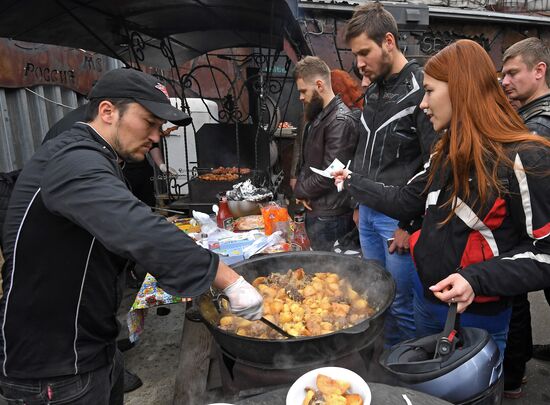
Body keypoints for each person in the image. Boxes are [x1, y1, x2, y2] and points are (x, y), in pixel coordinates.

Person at [0, 68, 263, 405]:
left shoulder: (98, 157)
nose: (156, 136)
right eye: (149, 122)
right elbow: (134, 226)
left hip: (92, 347)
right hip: (53, 366)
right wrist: (227, 279)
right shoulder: (72, 159)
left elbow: (111, 237)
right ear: (108, 111)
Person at [333, 39, 550, 359]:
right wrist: (356, 185)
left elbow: (544, 254)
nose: (422, 104)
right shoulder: (443, 151)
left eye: (430, 92)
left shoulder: (524, 158)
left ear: (461, 92)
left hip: (475, 318)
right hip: (426, 303)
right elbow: (410, 200)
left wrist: (475, 279)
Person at [344, 3, 439, 345]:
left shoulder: (420, 90)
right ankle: (384, 363)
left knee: (400, 303)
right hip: (369, 215)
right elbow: (363, 149)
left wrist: (410, 225)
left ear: (388, 41)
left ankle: (406, 376)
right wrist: (357, 205)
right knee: (375, 297)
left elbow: (434, 166)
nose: (359, 63)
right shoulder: (374, 88)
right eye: (355, 55)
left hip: (398, 222)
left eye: (364, 52)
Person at [500, 36, 550, 398]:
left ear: (539, 71)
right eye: (504, 74)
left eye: (513, 73)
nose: (505, 81)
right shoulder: (524, 117)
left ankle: (518, 378)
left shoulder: (540, 126)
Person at [292, 56, 358, 251]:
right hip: (322, 211)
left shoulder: (339, 121)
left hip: (331, 216)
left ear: (319, 85)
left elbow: (331, 174)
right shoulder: (321, 116)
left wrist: (300, 191)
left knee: (329, 275)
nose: (301, 97)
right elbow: (310, 164)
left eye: (303, 91)